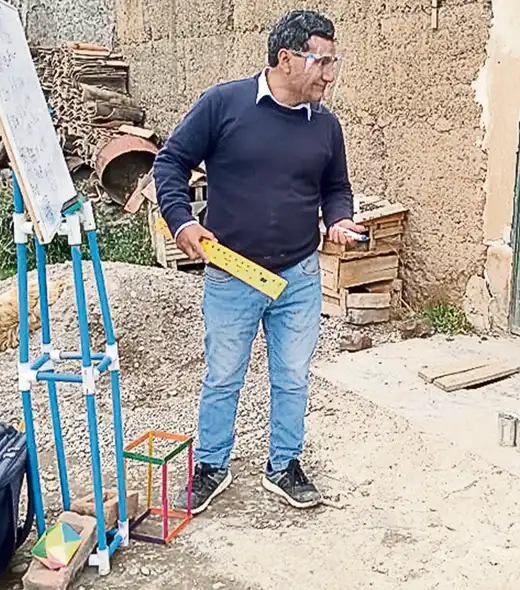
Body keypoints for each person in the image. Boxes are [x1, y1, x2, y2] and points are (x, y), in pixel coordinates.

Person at [153, 9, 365, 512]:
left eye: (335, 61)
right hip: (232, 273)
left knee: (292, 376)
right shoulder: (224, 104)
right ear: (287, 58)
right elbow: (170, 162)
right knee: (224, 375)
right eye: (323, 61)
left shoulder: (326, 126)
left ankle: (284, 464)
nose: (330, 74)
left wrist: (338, 219)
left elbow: (336, 188)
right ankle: (210, 466)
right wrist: (182, 221)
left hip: (299, 275)